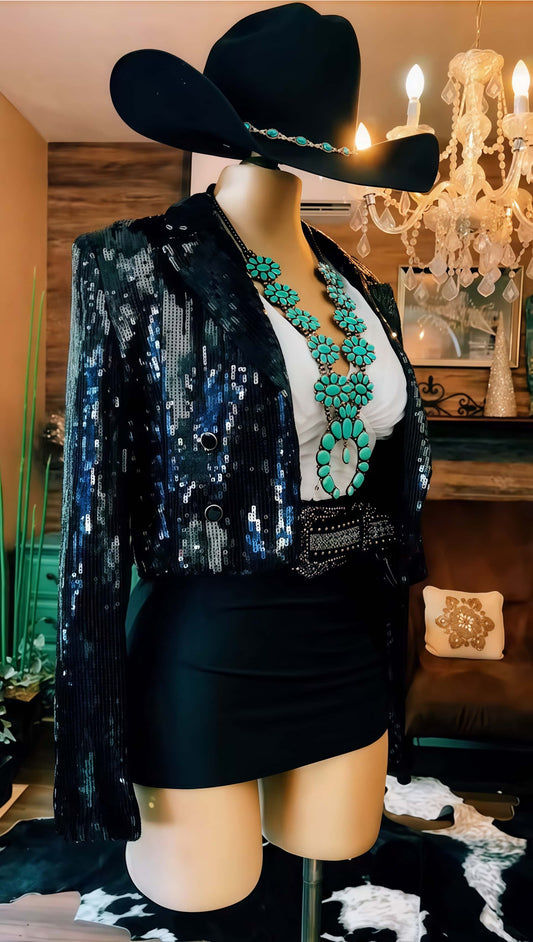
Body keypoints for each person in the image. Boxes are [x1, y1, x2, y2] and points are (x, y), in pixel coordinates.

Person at [53, 1, 438, 914]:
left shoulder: (364, 289)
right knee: (206, 887)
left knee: (332, 845)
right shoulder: (139, 268)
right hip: (206, 645)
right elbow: (92, 517)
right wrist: (91, 723)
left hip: (344, 637)